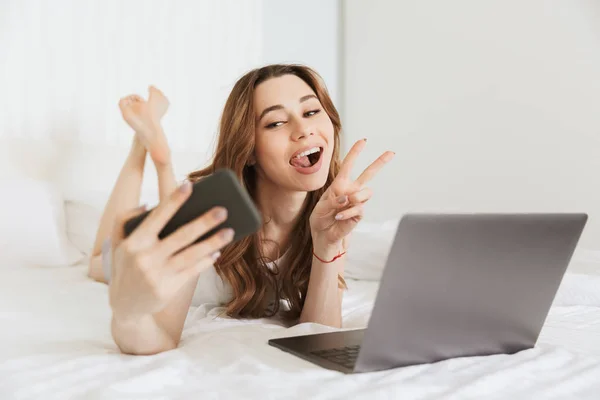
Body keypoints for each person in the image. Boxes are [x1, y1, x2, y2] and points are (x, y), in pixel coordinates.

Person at [88, 64, 395, 355]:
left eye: (311, 111)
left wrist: (327, 246)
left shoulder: (331, 210)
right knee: (97, 262)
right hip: (172, 245)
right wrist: (126, 314)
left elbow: (318, 334)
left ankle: (158, 153)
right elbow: (161, 336)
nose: (304, 129)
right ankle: (143, 145)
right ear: (249, 150)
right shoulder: (211, 212)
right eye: (275, 122)